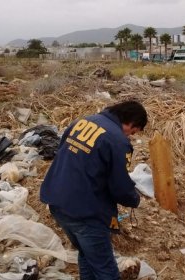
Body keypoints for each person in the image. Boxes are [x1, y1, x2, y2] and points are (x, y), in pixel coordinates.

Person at [40, 100, 148, 279]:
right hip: (86, 214)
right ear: (130, 123)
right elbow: (119, 186)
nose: (130, 136)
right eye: (133, 131)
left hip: (57, 203)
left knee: (87, 255)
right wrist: (134, 199)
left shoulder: (82, 122)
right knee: (106, 270)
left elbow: (64, 155)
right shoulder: (117, 141)